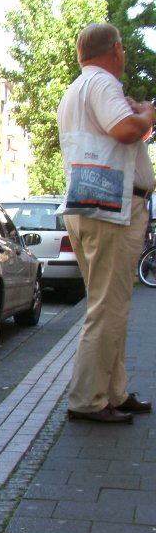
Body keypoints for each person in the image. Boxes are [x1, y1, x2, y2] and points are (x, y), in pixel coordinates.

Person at [58, 22, 156, 424]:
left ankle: (112, 391)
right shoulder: (103, 85)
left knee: (109, 304)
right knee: (108, 307)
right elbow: (125, 129)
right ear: (115, 48)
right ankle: (88, 400)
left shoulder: (78, 89)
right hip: (113, 210)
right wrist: (149, 113)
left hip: (89, 205)